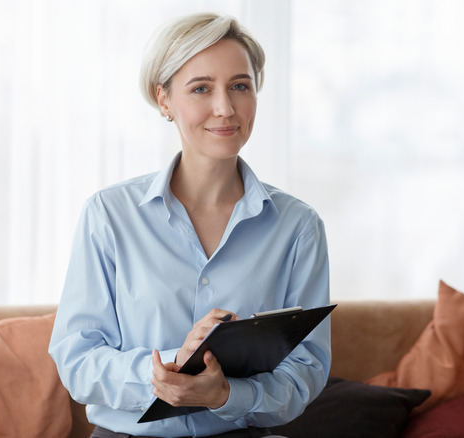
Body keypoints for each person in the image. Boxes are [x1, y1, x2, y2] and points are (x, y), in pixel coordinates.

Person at [49, 11, 331, 438]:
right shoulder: (108, 215)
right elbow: (77, 360)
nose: (225, 108)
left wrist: (225, 396)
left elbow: (305, 372)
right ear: (164, 99)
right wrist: (169, 366)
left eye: (240, 85)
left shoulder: (298, 227)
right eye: (201, 88)